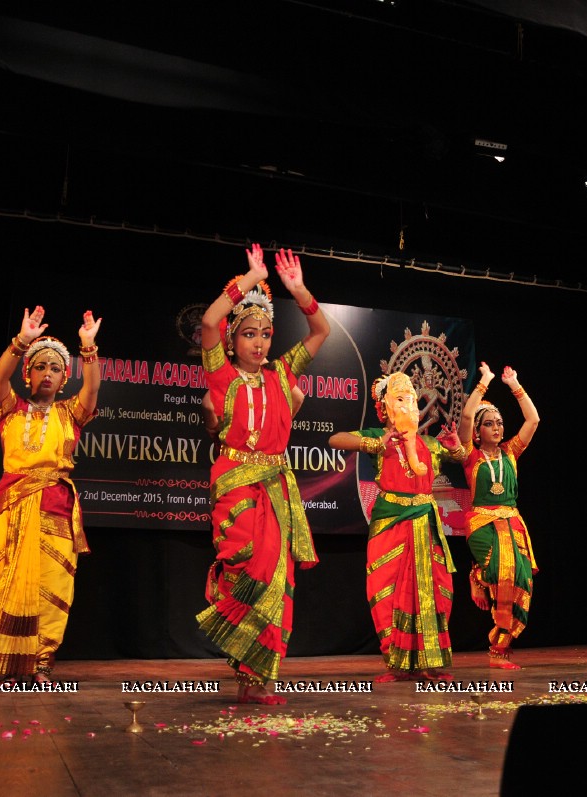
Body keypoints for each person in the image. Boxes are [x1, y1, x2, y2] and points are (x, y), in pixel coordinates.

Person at [195, 244, 329, 705]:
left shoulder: (281, 373)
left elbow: (321, 329)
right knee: (245, 567)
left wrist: (298, 290)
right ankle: (244, 665)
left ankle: (258, 680)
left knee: (275, 577)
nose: (258, 342)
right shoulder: (221, 375)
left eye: (266, 334)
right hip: (235, 484)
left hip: (276, 487)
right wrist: (249, 281)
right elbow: (209, 321)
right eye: (249, 333)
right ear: (233, 340)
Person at [0, 307, 101, 682]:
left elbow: (91, 390)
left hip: (56, 506)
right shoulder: (9, 409)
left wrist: (87, 349)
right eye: (40, 367)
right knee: (7, 582)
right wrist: (21, 342)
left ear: (63, 379)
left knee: (54, 587)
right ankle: (8, 662)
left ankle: (42, 660)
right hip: (10, 506)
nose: (47, 374)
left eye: (55, 369)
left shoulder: (70, 414)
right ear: (28, 375)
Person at [329, 372, 466, 682]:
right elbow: (335, 439)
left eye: (413, 401)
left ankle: (430, 662)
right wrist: (375, 443)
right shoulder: (381, 439)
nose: (410, 408)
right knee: (385, 591)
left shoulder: (429, 443)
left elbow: (463, 457)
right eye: (401, 400)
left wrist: (456, 446)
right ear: (385, 408)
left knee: (433, 591)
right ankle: (396, 662)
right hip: (390, 523)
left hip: (425, 523)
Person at [455, 362, 539, 670]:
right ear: (477, 433)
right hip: (481, 522)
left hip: (513, 521)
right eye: (490, 423)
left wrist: (515, 385)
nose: (497, 427)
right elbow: (465, 416)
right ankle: (477, 574)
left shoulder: (511, 452)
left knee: (522, 579)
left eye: (499, 423)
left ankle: (501, 645)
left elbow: (533, 419)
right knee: (501, 571)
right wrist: (485, 382)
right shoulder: (470, 457)